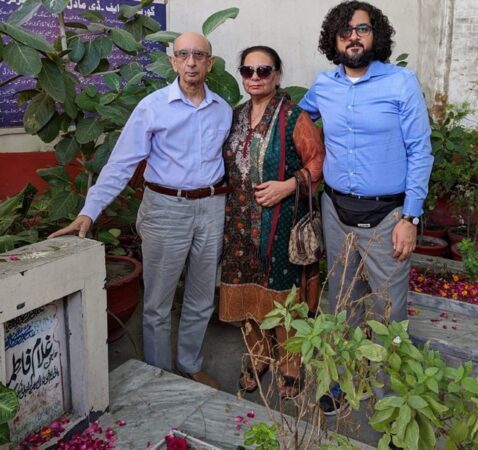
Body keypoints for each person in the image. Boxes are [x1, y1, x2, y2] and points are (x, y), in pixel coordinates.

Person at [50, 32, 232, 389]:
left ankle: (190, 365)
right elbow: (121, 164)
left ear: (210, 63)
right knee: (158, 303)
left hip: (212, 207)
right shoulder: (153, 107)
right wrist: (90, 211)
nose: (191, 62)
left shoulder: (222, 110)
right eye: (184, 54)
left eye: (199, 55)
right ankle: (158, 376)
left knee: (201, 297)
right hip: (165, 209)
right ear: (173, 61)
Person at [299, 1, 433, 414]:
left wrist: (410, 217)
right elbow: (295, 120)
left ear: (376, 35)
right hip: (336, 212)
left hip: (388, 216)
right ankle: (340, 382)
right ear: (334, 40)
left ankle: (393, 405)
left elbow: (421, 151)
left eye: (362, 29)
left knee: (389, 313)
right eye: (345, 31)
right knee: (341, 303)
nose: (353, 37)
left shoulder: (401, 83)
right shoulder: (324, 86)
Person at [218, 46, 324, 398]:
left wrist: (288, 186)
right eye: (247, 71)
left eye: (263, 71)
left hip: (280, 223)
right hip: (238, 224)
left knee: (283, 293)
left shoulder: (294, 117)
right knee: (246, 289)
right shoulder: (234, 116)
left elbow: (317, 162)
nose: (255, 77)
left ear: (277, 76)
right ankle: (258, 354)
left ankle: (291, 362)